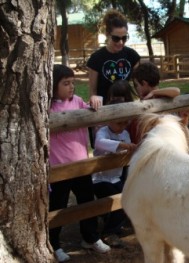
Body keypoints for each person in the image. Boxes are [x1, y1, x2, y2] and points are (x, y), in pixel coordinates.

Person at [49, 65, 110, 262]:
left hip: (82, 165)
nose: (71, 87)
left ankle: (90, 237)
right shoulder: (47, 107)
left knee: (87, 202)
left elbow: (93, 112)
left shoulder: (76, 101)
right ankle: (54, 244)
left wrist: (96, 100)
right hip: (60, 169)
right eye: (66, 83)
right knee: (57, 207)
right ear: (52, 85)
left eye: (73, 83)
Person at [92, 99, 137, 245]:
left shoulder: (125, 133)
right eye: (119, 123)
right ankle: (108, 232)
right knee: (118, 200)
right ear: (109, 119)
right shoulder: (102, 132)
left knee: (127, 199)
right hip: (100, 179)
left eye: (125, 123)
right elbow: (99, 143)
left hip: (116, 177)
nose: (123, 127)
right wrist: (122, 145)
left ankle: (113, 227)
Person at [87, 9, 141, 109]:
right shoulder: (96, 58)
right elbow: (93, 91)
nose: (120, 42)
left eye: (124, 38)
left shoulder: (132, 56)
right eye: (116, 38)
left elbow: (138, 85)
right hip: (104, 108)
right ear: (107, 34)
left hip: (126, 106)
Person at [129, 62, 181, 144]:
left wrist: (153, 93)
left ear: (144, 83)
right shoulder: (163, 96)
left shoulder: (161, 96)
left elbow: (176, 91)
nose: (136, 88)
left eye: (136, 85)